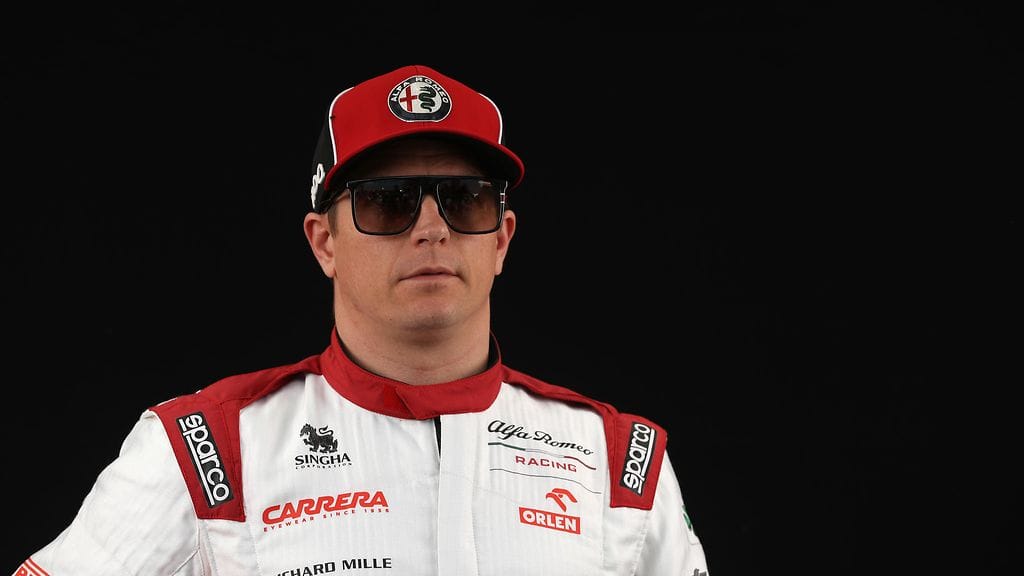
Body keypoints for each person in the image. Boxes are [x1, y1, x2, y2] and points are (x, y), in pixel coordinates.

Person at [13, 64, 709, 576]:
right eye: (387, 201)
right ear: (324, 242)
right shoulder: (206, 448)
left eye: (466, 199)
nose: (432, 228)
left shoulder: (620, 461)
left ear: (501, 239)